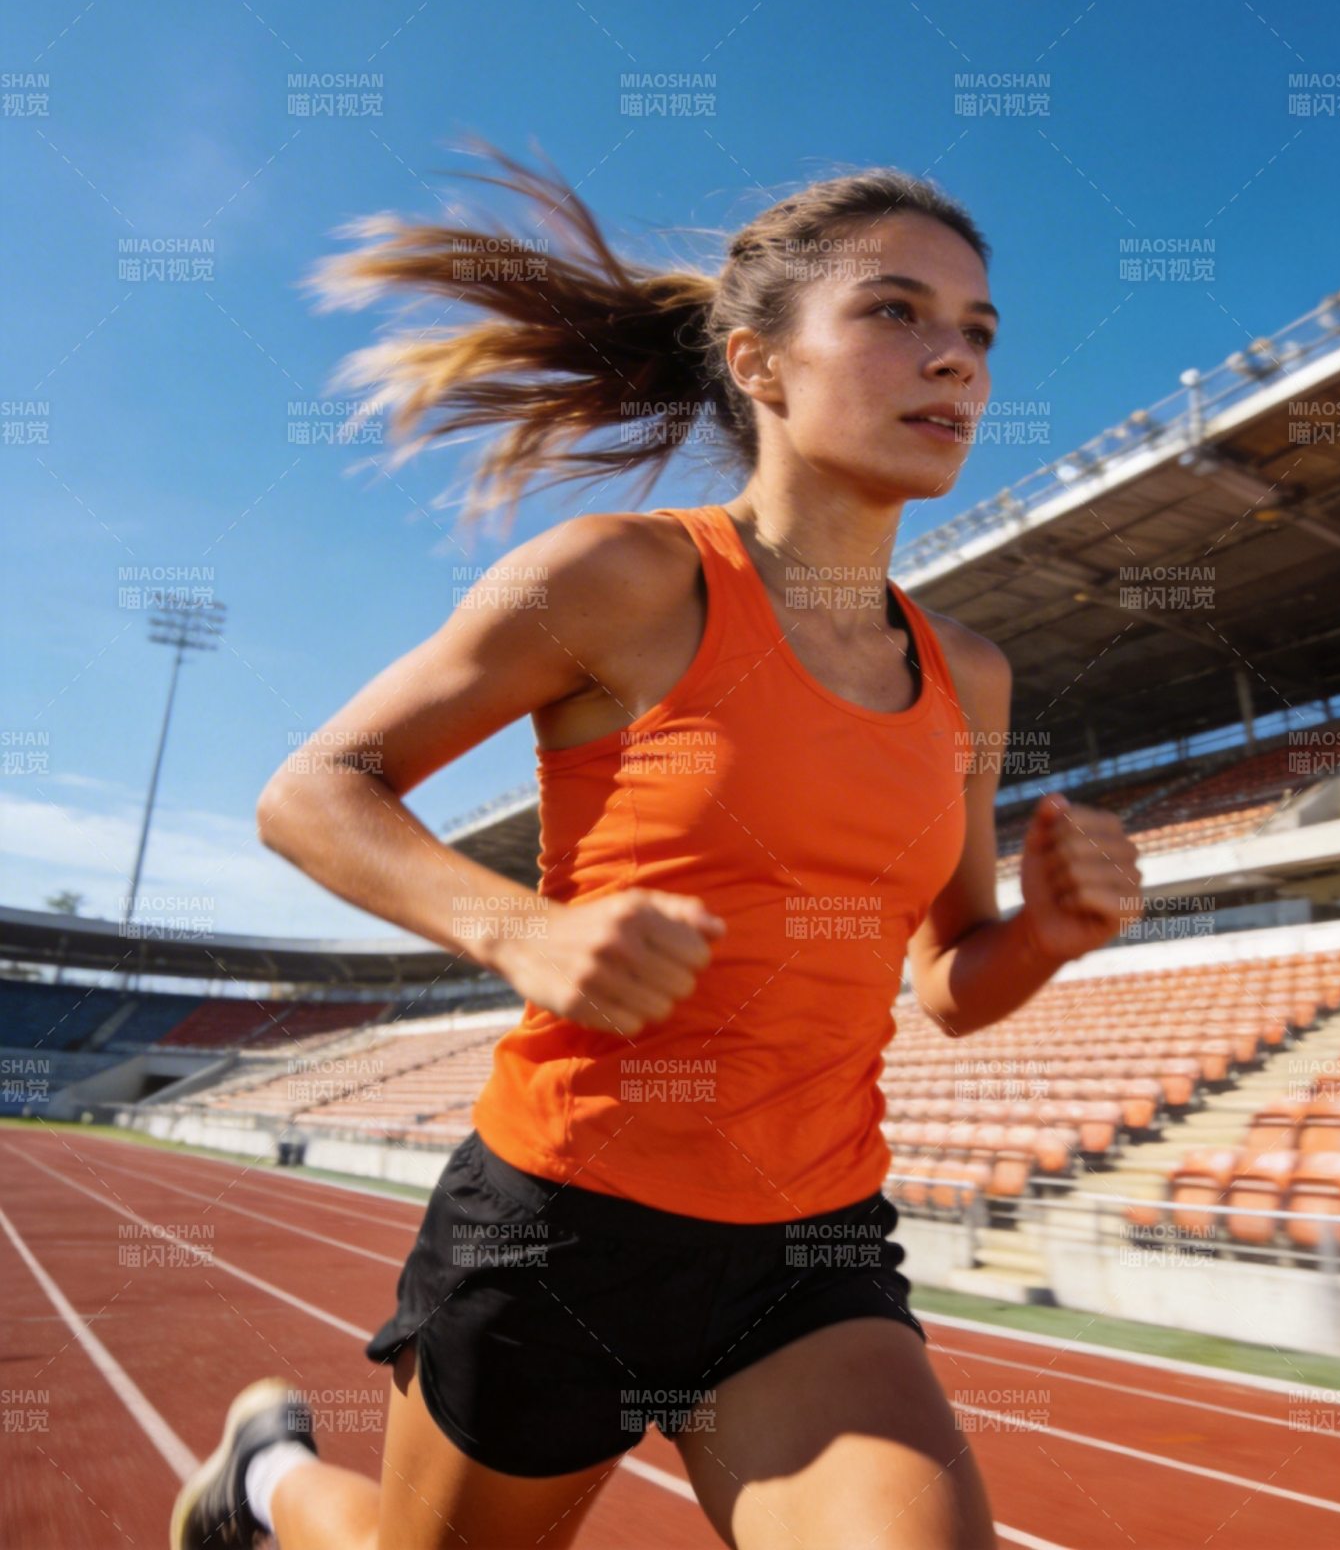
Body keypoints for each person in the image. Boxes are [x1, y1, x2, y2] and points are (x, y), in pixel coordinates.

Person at [171, 142, 1142, 1550]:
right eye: (896, 312)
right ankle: (262, 1484)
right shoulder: (622, 580)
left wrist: (1045, 938)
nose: (958, 361)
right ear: (759, 362)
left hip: (808, 1251)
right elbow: (314, 789)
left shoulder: (969, 677)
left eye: (979, 332)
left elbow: (946, 982)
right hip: (561, 1226)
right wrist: (522, 931)